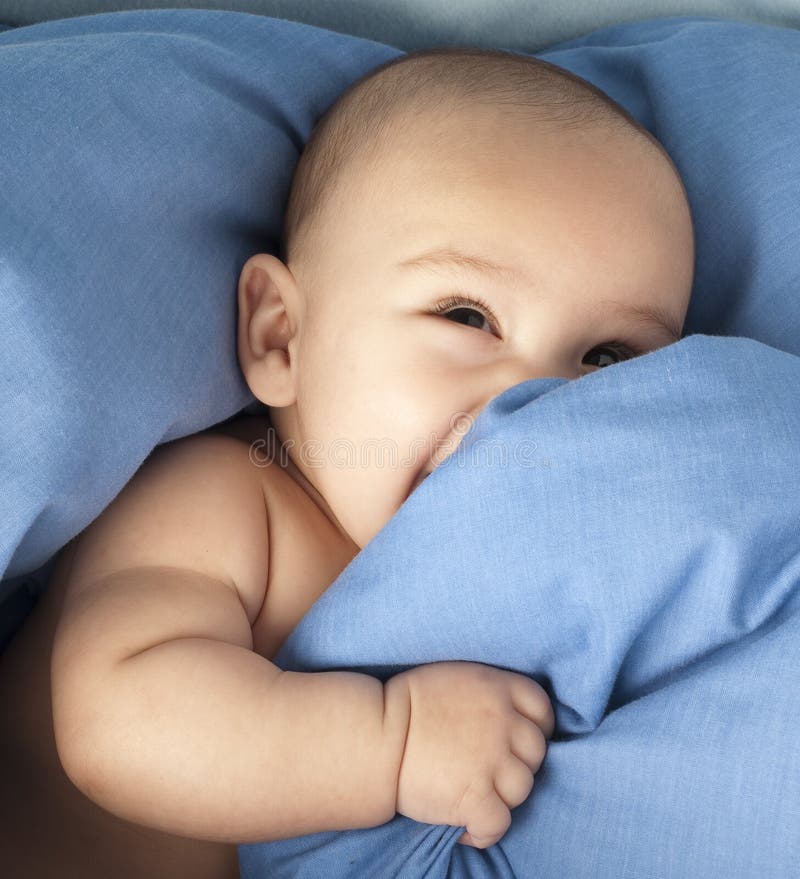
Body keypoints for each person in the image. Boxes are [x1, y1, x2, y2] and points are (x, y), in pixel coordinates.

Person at [3, 47, 694, 877]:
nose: (538, 395)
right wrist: (391, 741)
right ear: (281, 337)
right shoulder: (230, 501)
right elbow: (122, 722)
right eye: (468, 314)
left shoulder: (547, 579)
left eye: (608, 358)